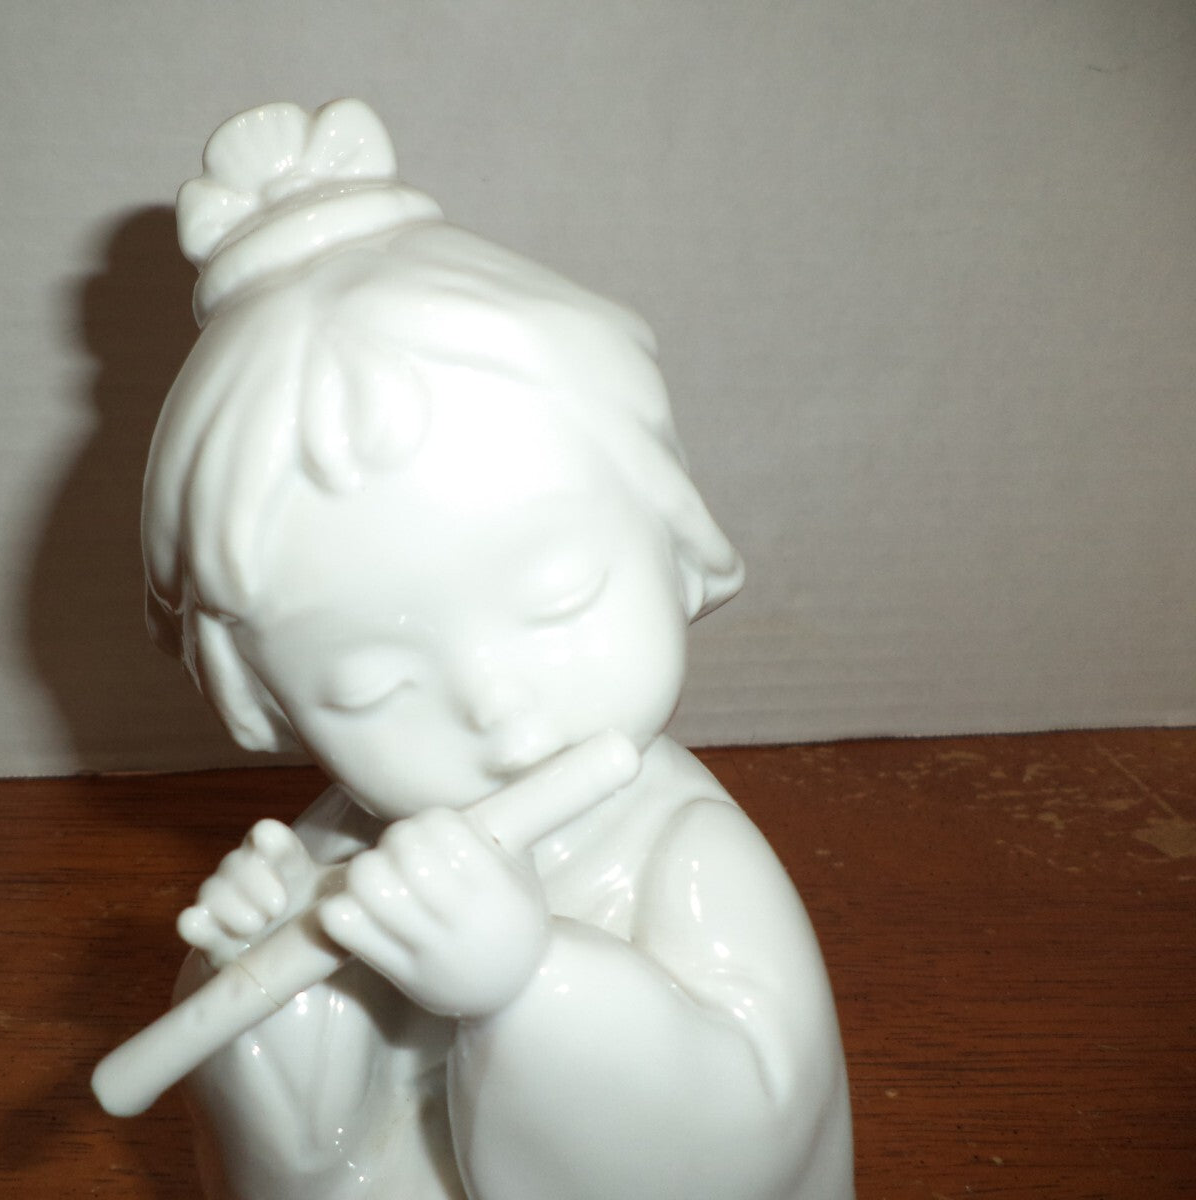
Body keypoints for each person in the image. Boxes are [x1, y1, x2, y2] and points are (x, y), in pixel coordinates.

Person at [138, 99, 852, 1200]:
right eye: (369, 684)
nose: (497, 707)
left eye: (560, 596)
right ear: (271, 701)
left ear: (666, 529)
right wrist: (272, 997)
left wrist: (528, 988)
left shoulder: (686, 853)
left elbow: (753, 1138)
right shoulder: (340, 866)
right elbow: (307, 1168)